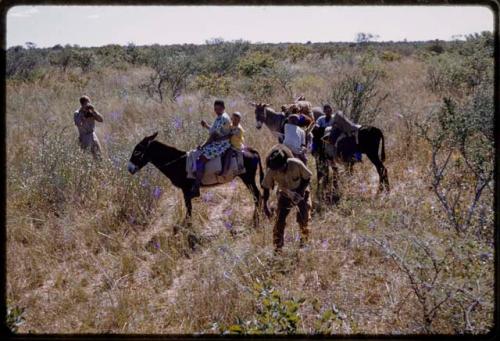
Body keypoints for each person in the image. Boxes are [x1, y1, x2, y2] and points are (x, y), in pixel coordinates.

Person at [262, 146, 313, 251]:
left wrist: (300, 193)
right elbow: (266, 186)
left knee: (303, 219)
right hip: (285, 194)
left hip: (301, 192)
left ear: (285, 162)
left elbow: (307, 177)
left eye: (281, 168)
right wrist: (265, 205)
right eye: (276, 169)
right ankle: (278, 248)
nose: (279, 171)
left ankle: (304, 245)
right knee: (279, 222)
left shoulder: (296, 164)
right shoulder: (273, 169)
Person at [191, 99, 232, 197]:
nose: (216, 111)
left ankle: (197, 187)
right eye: (215, 109)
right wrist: (206, 126)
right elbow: (214, 131)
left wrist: (203, 145)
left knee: (201, 160)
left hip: (221, 144)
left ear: (223, 108)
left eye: (218, 109)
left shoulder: (222, 118)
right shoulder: (221, 117)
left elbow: (213, 136)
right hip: (219, 141)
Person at [219, 112, 245, 177]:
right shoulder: (231, 125)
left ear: (239, 121)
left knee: (228, 153)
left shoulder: (238, 129)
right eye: (233, 119)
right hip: (229, 143)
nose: (235, 121)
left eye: (237, 120)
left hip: (235, 145)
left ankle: (225, 171)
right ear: (231, 118)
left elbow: (229, 135)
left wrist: (220, 137)